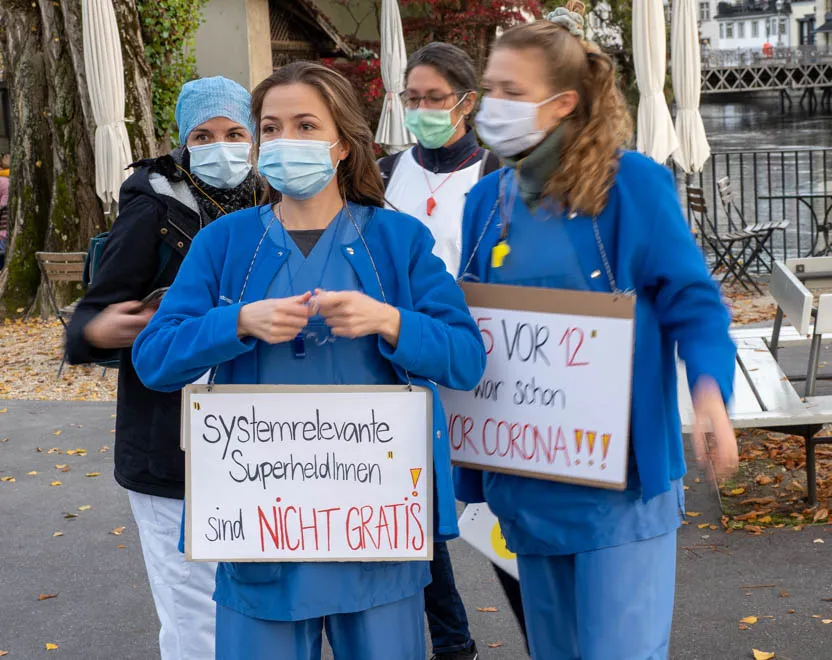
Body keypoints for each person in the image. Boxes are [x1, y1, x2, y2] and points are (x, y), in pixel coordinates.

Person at [131, 61, 486, 660]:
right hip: (260, 530)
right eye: (271, 128)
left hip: (376, 531)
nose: (284, 141)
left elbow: (466, 359)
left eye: (305, 125)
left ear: (342, 144)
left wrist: (390, 321)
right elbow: (155, 360)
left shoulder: (397, 241)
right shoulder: (225, 242)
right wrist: (235, 323)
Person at [454, 7, 738, 660]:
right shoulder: (484, 201)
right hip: (525, 486)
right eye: (490, 88)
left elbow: (695, 303)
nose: (492, 104)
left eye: (511, 91)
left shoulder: (632, 184)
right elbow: (470, 320)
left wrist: (710, 391)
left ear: (562, 103)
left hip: (620, 490)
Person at [65, 76, 259, 660]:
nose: (221, 147)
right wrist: (100, 330)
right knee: (194, 614)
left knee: (258, 607)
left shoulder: (278, 199)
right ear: (183, 142)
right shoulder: (152, 207)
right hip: (169, 448)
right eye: (204, 135)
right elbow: (89, 318)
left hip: (263, 443)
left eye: (235, 133)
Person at [379, 42, 521, 660]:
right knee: (417, 507)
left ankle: (543, 630)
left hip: (486, 367)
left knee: (497, 514)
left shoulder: (496, 173)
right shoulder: (383, 172)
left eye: (434, 98)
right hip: (405, 361)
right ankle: (453, 643)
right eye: (412, 98)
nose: (421, 109)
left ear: (466, 101)